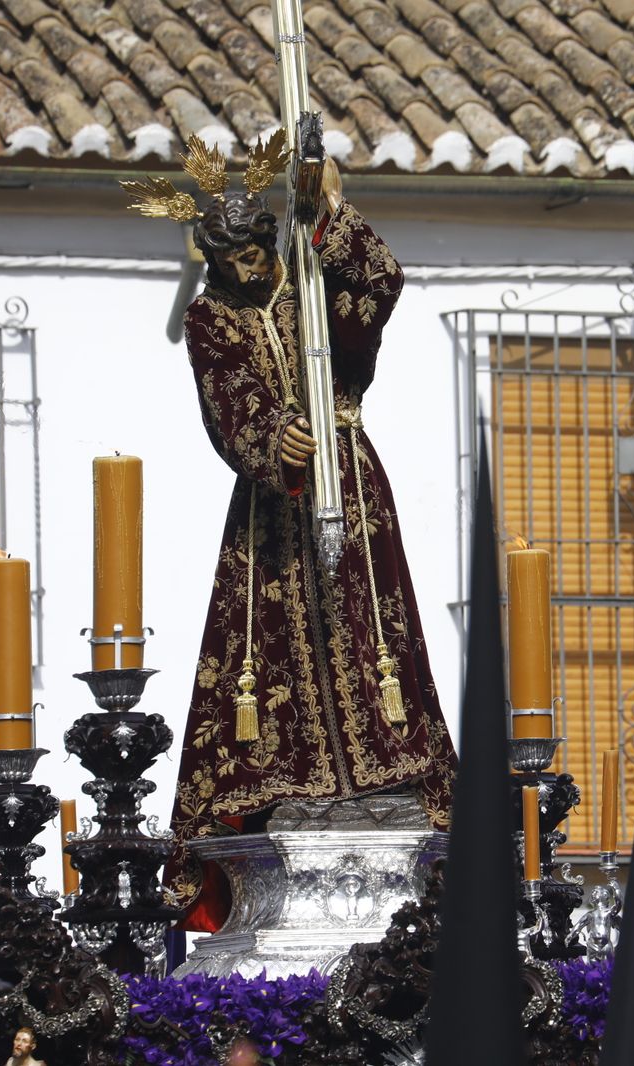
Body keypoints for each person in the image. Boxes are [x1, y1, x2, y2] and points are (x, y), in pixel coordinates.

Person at [132, 140, 457, 932]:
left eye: (257, 249)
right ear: (209, 259)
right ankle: (290, 787)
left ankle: (387, 777)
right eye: (232, 257)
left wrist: (328, 216)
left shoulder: (312, 290)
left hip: (351, 482)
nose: (248, 266)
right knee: (274, 646)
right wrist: (270, 437)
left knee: (370, 628)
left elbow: (380, 284)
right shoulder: (211, 318)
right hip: (274, 512)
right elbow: (228, 402)